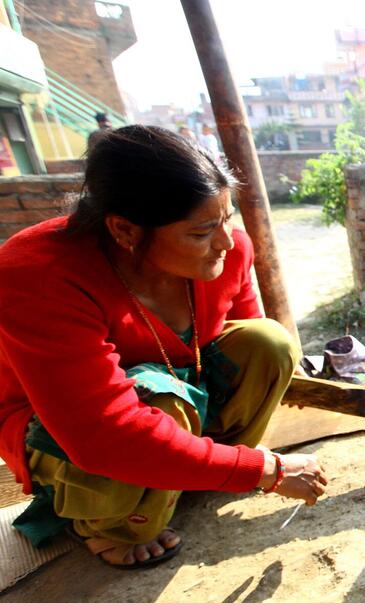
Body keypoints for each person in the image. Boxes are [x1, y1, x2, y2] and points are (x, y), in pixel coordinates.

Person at [0, 125, 328, 568]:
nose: (227, 242)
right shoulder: (39, 275)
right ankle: (110, 526)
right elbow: (102, 434)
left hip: (175, 392)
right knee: (161, 403)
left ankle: (189, 473)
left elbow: (248, 339)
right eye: (201, 232)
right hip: (69, 431)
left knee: (270, 342)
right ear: (125, 230)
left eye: (227, 218)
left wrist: (232, 459)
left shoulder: (228, 250)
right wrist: (263, 470)